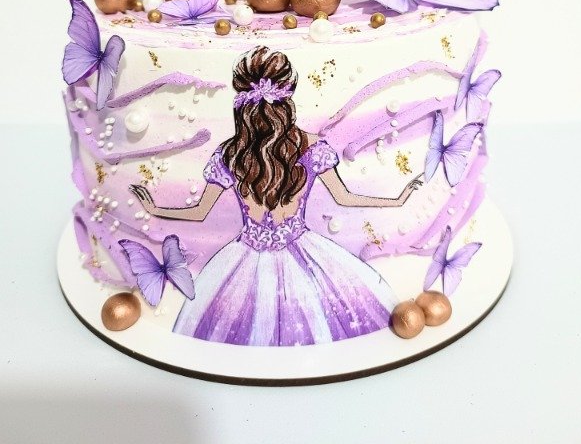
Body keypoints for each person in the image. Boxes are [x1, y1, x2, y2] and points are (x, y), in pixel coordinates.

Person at [130, 46, 422, 346]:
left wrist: (155, 208)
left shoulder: (231, 154)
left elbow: (198, 212)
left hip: (241, 259)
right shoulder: (310, 146)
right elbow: (344, 197)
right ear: (286, 104)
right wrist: (396, 200)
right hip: (304, 252)